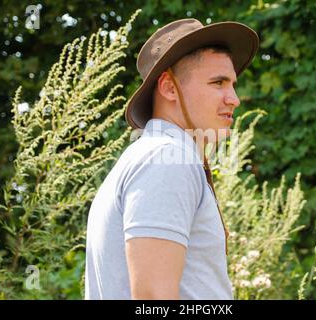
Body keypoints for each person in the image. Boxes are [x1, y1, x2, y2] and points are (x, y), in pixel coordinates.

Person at [85, 18, 259, 300]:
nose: (234, 99)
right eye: (218, 83)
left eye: (233, 85)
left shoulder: (158, 156)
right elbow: (153, 300)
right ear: (168, 87)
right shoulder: (167, 159)